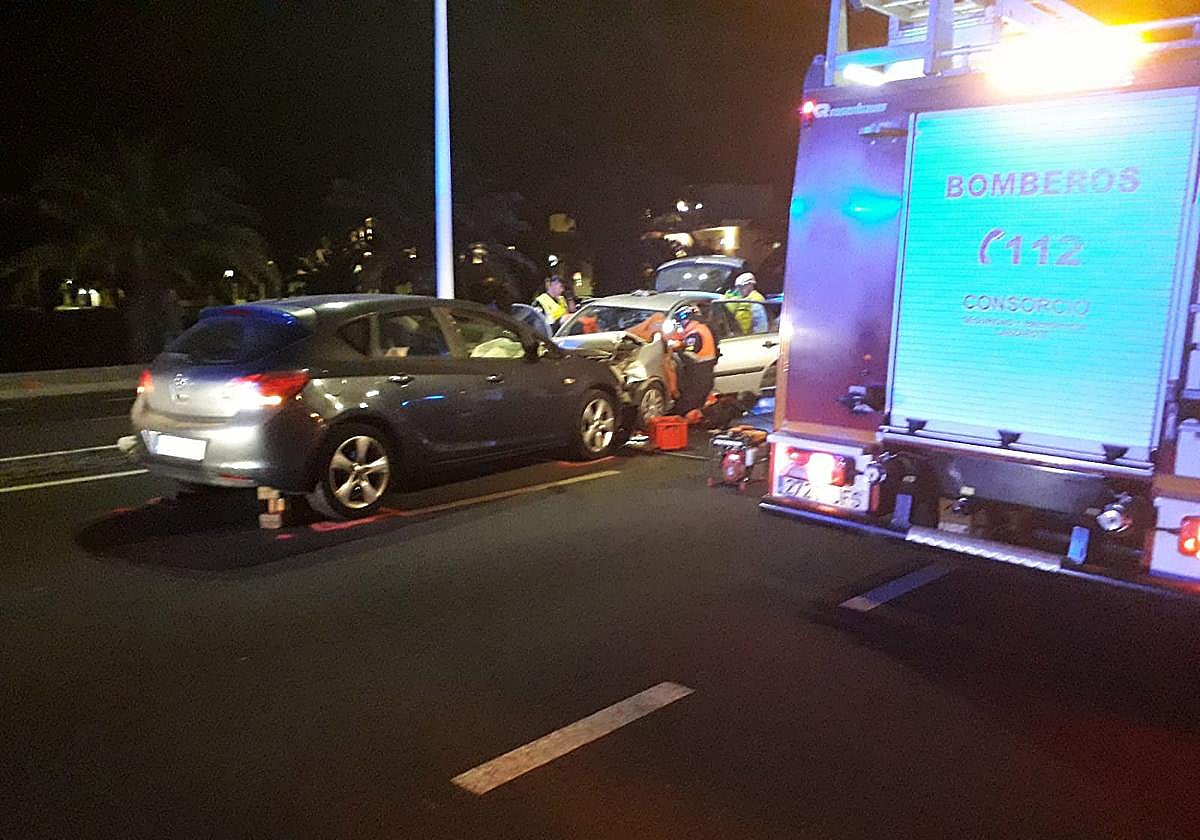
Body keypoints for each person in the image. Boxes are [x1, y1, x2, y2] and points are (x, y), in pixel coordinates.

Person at [665, 304, 718, 419]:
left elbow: (689, 353)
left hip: (698, 376)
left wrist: (676, 348)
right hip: (702, 375)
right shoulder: (698, 329)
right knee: (690, 406)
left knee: (685, 408)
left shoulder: (696, 333)